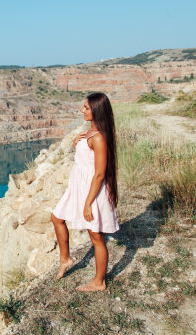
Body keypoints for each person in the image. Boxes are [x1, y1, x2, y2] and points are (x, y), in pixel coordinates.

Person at [50, 92, 119, 291]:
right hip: (77, 187)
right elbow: (84, 160)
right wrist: (77, 143)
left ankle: (99, 282)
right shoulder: (90, 133)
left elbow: (99, 174)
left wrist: (88, 203)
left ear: (96, 111)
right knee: (57, 217)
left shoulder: (99, 138)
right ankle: (66, 259)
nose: (82, 110)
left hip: (91, 191)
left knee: (96, 236)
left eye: (86, 108)